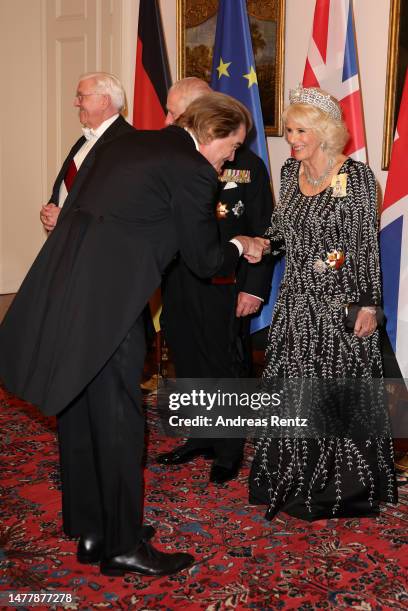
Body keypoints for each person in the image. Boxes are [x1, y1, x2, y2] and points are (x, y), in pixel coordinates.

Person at [0, 92, 268, 576]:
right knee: (121, 424)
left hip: (62, 294)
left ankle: (90, 529)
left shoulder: (125, 143)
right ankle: (123, 546)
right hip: (111, 309)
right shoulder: (192, 168)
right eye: (232, 146)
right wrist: (242, 242)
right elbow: (205, 261)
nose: (232, 157)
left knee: (77, 411)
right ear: (212, 132)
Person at [249, 85, 398, 521]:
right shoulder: (289, 177)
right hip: (297, 305)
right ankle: (288, 478)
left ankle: (341, 489)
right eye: (290, 130)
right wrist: (260, 242)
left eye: (299, 130)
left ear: (325, 132)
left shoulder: (355, 178)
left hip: (340, 310)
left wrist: (369, 305)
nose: (291, 138)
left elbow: (363, 246)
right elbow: (281, 232)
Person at [157, 78, 274, 485]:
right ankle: (201, 435)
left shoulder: (248, 166)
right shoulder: (173, 163)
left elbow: (264, 231)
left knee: (225, 365)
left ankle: (228, 448)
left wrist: (253, 287)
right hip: (178, 278)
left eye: (177, 112)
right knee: (187, 359)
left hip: (227, 281)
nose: (170, 120)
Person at [40, 72, 134, 232]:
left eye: (81, 96)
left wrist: (65, 217)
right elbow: (69, 188)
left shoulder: (129, 142)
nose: (76, 103)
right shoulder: (84, 140)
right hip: (67, 242)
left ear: (104, 101)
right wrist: (51, 211)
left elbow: (117, 203)